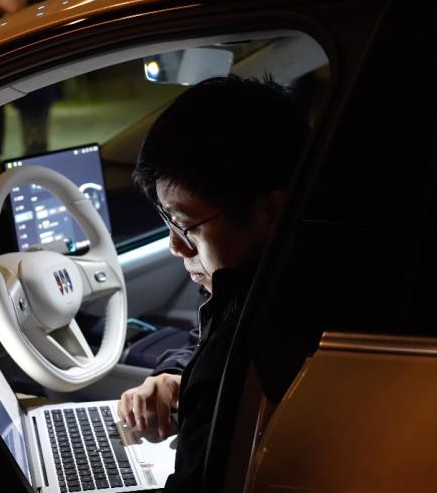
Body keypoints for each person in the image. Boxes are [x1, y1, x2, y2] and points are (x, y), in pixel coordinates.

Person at [117, 75, 308, 491]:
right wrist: (176, 376)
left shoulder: (255, 343)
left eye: (186, 226)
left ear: (271, 212)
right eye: (168, 221)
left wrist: (202, 382)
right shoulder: (272, 283)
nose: (175, 246)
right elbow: (209, 334)